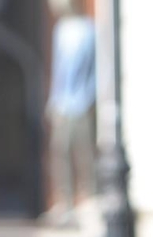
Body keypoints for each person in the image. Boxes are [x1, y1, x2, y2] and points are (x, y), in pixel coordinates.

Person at [47, 0, 96, 224]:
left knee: (84, 152)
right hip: (64, 104)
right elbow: (59, 70)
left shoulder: (88, 30)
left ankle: (87, 199)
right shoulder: (61, 30)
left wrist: (89, 97)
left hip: (82, 103)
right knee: (60, 151)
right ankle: (63, 202)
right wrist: (53, 100)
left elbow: (95, 69)